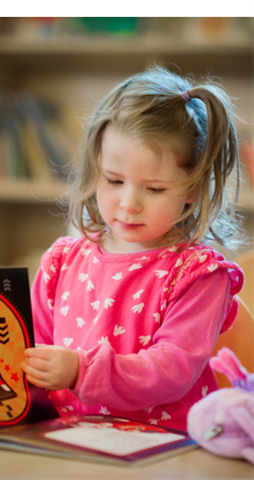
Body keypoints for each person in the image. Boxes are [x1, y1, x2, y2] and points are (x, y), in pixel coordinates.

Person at [21, 66, 245, 431]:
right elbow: (32, 355)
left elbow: (172, 370)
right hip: (66, 445)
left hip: (165, 450)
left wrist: (82, 370)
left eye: (154, 189)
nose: (129, 203)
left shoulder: (199, 275)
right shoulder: (62, 262)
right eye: (113, 180)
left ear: (192, 189)